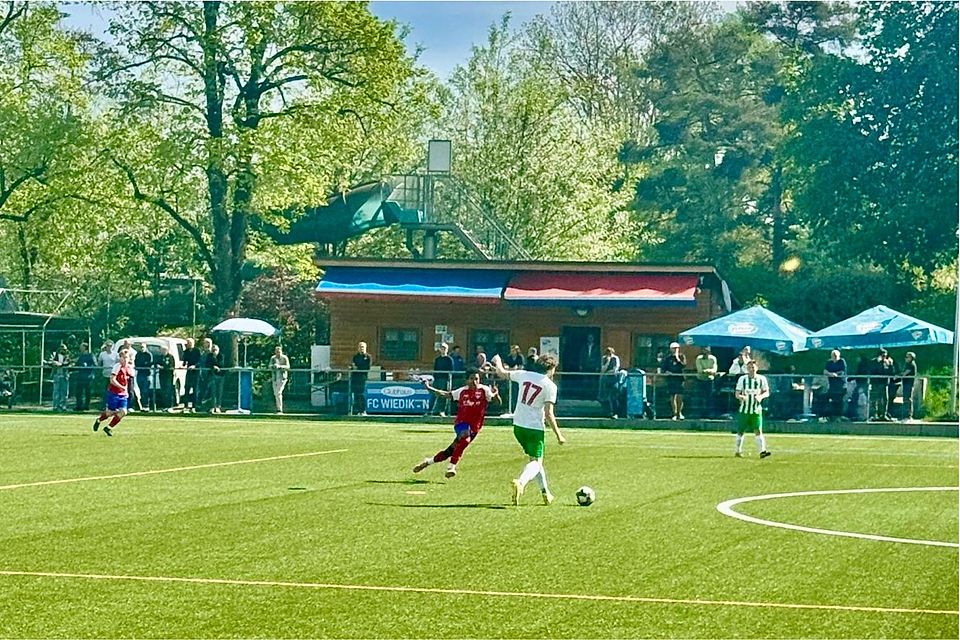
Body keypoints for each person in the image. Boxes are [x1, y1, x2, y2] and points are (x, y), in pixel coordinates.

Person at [490, 353, 566, 506]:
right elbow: (548, 413)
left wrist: (498, 361)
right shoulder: (550, 386)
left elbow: (502, 373)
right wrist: (559, 435)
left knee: (535, 461)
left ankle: (546, 493)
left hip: (518, 425)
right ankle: (521, 482)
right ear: (551, 368)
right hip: (534, 428)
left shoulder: (524, 375)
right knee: (536, 463)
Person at [414, 368, 500, 478]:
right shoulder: (461, 391)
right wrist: (428, 387)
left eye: (476, 379)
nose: (474, 381)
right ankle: (451, 467)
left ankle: (427, 462)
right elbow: (444, 394)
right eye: (471, 379)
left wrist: (496, 395)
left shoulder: (485, 390)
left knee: (449, 452)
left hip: (475, 427)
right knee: (465, 439)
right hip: (461, 424)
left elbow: (497, 403)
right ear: (466, 380)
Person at [93, 347, 136, 436]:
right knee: (110, 412)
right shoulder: (117, 366)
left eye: (127, 357)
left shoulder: (129, 368)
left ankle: (108, 428)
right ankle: (99, 420)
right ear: (120, 358)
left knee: (123, 412)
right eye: (123, 357)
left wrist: (126, 391)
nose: (125, 359)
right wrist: (121, 386)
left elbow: (127, 380)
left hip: (123, 394)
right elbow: (112, 380)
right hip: (114, 393)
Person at [734, 360, 772, 458]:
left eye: (753, 367)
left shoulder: (761, 379)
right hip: (744, 410)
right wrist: (742, 397)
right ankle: (738, 451)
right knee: (741, 430)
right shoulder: (742, 379)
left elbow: (766, 392)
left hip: (756, 409)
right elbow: (737, 394)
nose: (752, 369)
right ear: (747, 369)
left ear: (757, 368)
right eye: (750, 367)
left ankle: (762, 451)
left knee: (758, 430)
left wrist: (760, 397)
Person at [663, 342, 686, 420]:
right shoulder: (667, 358)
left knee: (680, 396)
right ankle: (675, 413)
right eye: (674, 348)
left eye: (677, 348)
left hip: (679, 379)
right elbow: (664, 368)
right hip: (671, 380)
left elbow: (683, 366)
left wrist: (677, 358)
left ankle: (680, 413)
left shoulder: (682, 356)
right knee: (672, 397)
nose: (675, 350)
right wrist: (667, 372)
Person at [430, 343, 455, 416]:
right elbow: (435, 369)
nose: (443, 349)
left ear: (447, 349)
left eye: (444, 348)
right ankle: (431, 411)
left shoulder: (449, 359)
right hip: (437, 379)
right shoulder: (437, 359)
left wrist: (447, 379)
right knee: (434, 394)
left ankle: (442, 411)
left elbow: (451, 370)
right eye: (442, 348)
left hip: (445, 379)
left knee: (443, 395)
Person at [823, 349, 847, 421]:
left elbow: (842, 371)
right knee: (831, 400)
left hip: (840, 386)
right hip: (832, 386)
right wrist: (830, 374)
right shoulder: (829, 362)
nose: (834, 357)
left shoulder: (842, 361)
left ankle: (839, 416)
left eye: (835, 356)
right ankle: (831, 416)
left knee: (839, 401)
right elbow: (825, 371)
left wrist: (835, 374)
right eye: (833, 356)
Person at [502, 344, 526, 416]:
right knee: (509, 392)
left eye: (514, 350)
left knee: (517, 393)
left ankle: (517, 409)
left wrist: (512, 369)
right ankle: (509, 408)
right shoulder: (508, 357)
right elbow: (505, 366)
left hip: (518, 378)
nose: (512, 351)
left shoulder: (520, 357)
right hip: (510, 377)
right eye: (511, 350)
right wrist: (512, 369)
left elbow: (520, 367)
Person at [695, 346, 718, 418]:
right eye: (704, 352)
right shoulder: (698, 358)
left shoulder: (713, 358)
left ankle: (709, 414)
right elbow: (700, 370)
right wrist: (708, 371)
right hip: (700, 380)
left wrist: (708, 371)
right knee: (700, 397)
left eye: (707, 352)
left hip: (710, 380)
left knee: (709, 397)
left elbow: (714, 369)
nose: (705, 353)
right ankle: (700, 414)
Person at [598, 346, 621, 418]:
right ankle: (608, 412)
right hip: (605, 380)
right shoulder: (604, 358)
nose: (609, 355)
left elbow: (615, 370)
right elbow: (602, 370)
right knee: (605, 397)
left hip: (614, 380)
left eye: (610, 353)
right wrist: (607, 361)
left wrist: (607, 372)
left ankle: (615, 413)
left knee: (614, 397)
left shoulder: (615, 358)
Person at [73, 342, 96, 412]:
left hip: (88, 377)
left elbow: (95, 365)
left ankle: (86, 406)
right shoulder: (81, 356)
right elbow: (77, 365)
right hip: (80, 376)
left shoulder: (91, 355)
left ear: (85, 348)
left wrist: (90, 369)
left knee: (87, 392)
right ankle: (79, 406)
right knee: (78, 392)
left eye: (81, 347)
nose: (80, 348)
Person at [350, 341, 371, 416]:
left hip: (362, 378)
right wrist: (353, 368)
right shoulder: (355, 357)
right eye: (360, 347)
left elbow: (367, 367)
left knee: (361, 394)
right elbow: (353, 365)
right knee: (355, 394)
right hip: (355, 378)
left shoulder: (368, 357)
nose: (361, 348)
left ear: (365, 348)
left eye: (363, 347)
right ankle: (357, 410)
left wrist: (358, 367)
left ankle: (363, 410)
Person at [49, 343, 71, 412]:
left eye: (64, 349)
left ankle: (63, 406)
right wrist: (56, 363)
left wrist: (60, 364)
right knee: (56, 392)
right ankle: (55, 406)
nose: (63, 350)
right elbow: (52, 362)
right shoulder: (56, 356)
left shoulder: (67, 356)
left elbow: (67, 363)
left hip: (64, 376)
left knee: (64, 392)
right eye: (62, 349)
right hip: (57, 376)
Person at [182, 338, 201, 413]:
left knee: (195, 388)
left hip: (196, 372)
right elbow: (184, 361)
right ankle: (185, 405)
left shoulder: (197, 351)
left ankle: (194, 406)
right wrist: (183, 365)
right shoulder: (186, 351)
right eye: (188, 342)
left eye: (190, 342)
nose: (189, 344)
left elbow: (200, 361)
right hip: (189, 371)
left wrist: (194, 366)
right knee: (186, 388)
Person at [270, 345, 290, 414]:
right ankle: (278, 408)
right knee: (276, 393)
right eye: (276, 352)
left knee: (278, 392)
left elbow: (288, 367)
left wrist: (280, 367)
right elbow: (269, 366)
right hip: (275, 378)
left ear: (281, 351)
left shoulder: (284, 358)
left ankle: (280, 410)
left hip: (282, 377)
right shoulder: (273, 358)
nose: (278, 353)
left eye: (279, 352)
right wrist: (273, 366)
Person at [134, 342, 154, 411]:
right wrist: (142, 364)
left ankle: (146, 405)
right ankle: (141, 406)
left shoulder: (149, 354)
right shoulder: (138, 354)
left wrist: (143, 364)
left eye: (143, 347)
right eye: (141, 347)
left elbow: (149, 364)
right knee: (141, 391)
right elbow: (136, 364)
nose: (142, 348)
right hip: (139, 374)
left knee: (146, 391)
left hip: (147, 375)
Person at [156, 345, 176, 411]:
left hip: (168, 376)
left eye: (163, 350)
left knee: (169, 391)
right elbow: (156, 363)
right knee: (163, 391)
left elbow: (171, 366)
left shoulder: (170, 357)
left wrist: (163, 367)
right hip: (162, 376)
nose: (162, 351)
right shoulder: (160, 357)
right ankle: (164, 406)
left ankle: (170, 406)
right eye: (161, 350)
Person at [899, 352, 918, 421]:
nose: (905, 358)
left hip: (909, 384)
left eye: (907, 357)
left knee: (907, 399)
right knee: (905, 399)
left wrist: (898, 376)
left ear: (911, 358)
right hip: (906, 384)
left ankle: (908, 415)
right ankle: (905, 415)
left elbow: (905, 373)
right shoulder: (907, 364)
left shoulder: (911, 365)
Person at [98, 340, 116, 410]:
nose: (109, 347)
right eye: (108, 346)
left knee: (113, 391)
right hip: (105, 375)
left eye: (110, 346)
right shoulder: (102, 354)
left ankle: (113, 405)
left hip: (113, 376)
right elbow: (99, 363)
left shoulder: (116, 354)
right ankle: (104, 406)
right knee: (105, 391)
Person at [208, 344, 226, 413]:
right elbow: (207, 364)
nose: (214, 351)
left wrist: (215, 361)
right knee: (213, 392)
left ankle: (218, 406)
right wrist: (213, 365)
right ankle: (213, 406)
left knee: (219, 392)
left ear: (218, 350)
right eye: (213, 350)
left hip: (220, 376)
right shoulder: (209, 356)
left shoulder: (221, 356)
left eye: (215, 350)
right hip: (212, 376)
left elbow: (221, 364)